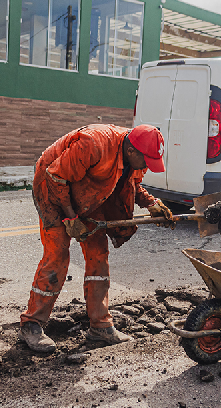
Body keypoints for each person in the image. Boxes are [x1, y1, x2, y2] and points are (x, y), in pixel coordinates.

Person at [19, 123, 174, 352]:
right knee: (57, 255)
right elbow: (55, 176)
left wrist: (151, 203)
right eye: (147, 161)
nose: (148, 167)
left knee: (98, 254)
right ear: (132, 151)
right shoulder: (94, 144)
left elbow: (130, 184)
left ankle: (100, 326)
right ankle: (31, 324)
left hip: (87, 192)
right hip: (51, 188)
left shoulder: (132, 155)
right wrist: (71, 219)